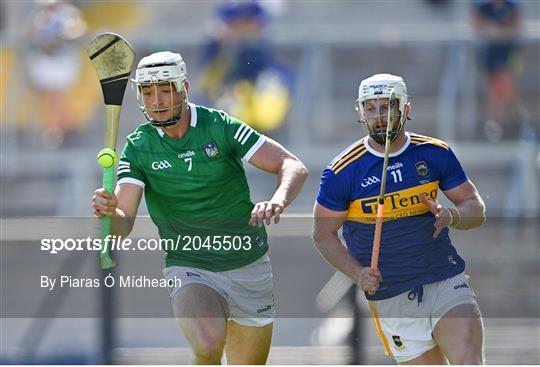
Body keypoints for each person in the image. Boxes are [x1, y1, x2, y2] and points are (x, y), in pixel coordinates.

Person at [91, 51, 308, 364]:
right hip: (190, 266)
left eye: (165, 89)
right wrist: (110, 213)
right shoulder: (138, 148)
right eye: (148, 92)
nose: (157, 100)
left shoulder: (219, 126)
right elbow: (123, 225)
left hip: (248, 262)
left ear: (184, 88)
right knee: (208, 342)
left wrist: (278, 200)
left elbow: (291, 165)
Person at [312, 74, 486, 364]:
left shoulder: (434, 153)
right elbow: (322, 234)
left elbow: (474, 208)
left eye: (387, 107)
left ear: (405, 109)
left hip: (444, 278)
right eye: (370, 108)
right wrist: (357, 274)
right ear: (360, 112)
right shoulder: (342, 171)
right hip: (391, 294)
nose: (379, 116)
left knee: (468, 359)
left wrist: (452, 215)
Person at [195, 1, 293, 133]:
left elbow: (267, 118)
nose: (240, 30)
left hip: (263, 132)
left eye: (245, 24)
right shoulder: (217, 53)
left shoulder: (271, 70)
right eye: (234, 25)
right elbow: (206, 85)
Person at [26, 0, 87, 148]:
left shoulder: (68, 13)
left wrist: (63, 35)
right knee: (49, 97)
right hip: (46, 60)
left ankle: (60, 131)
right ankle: (57, 130)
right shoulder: (40, 15)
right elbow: (31, 33)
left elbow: (78, 30)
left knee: (58, 96)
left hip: (62, 61)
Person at [470, 0, 523, 141]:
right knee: (495, 90)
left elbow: (517, 26)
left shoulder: (511, 6)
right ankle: (499, 125)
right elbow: (474, 24)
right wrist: (491, 29)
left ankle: (510, 122)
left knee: (505, 86)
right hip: (490, 56)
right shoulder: (483, 7)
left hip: (508, 54)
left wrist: (499, 32)